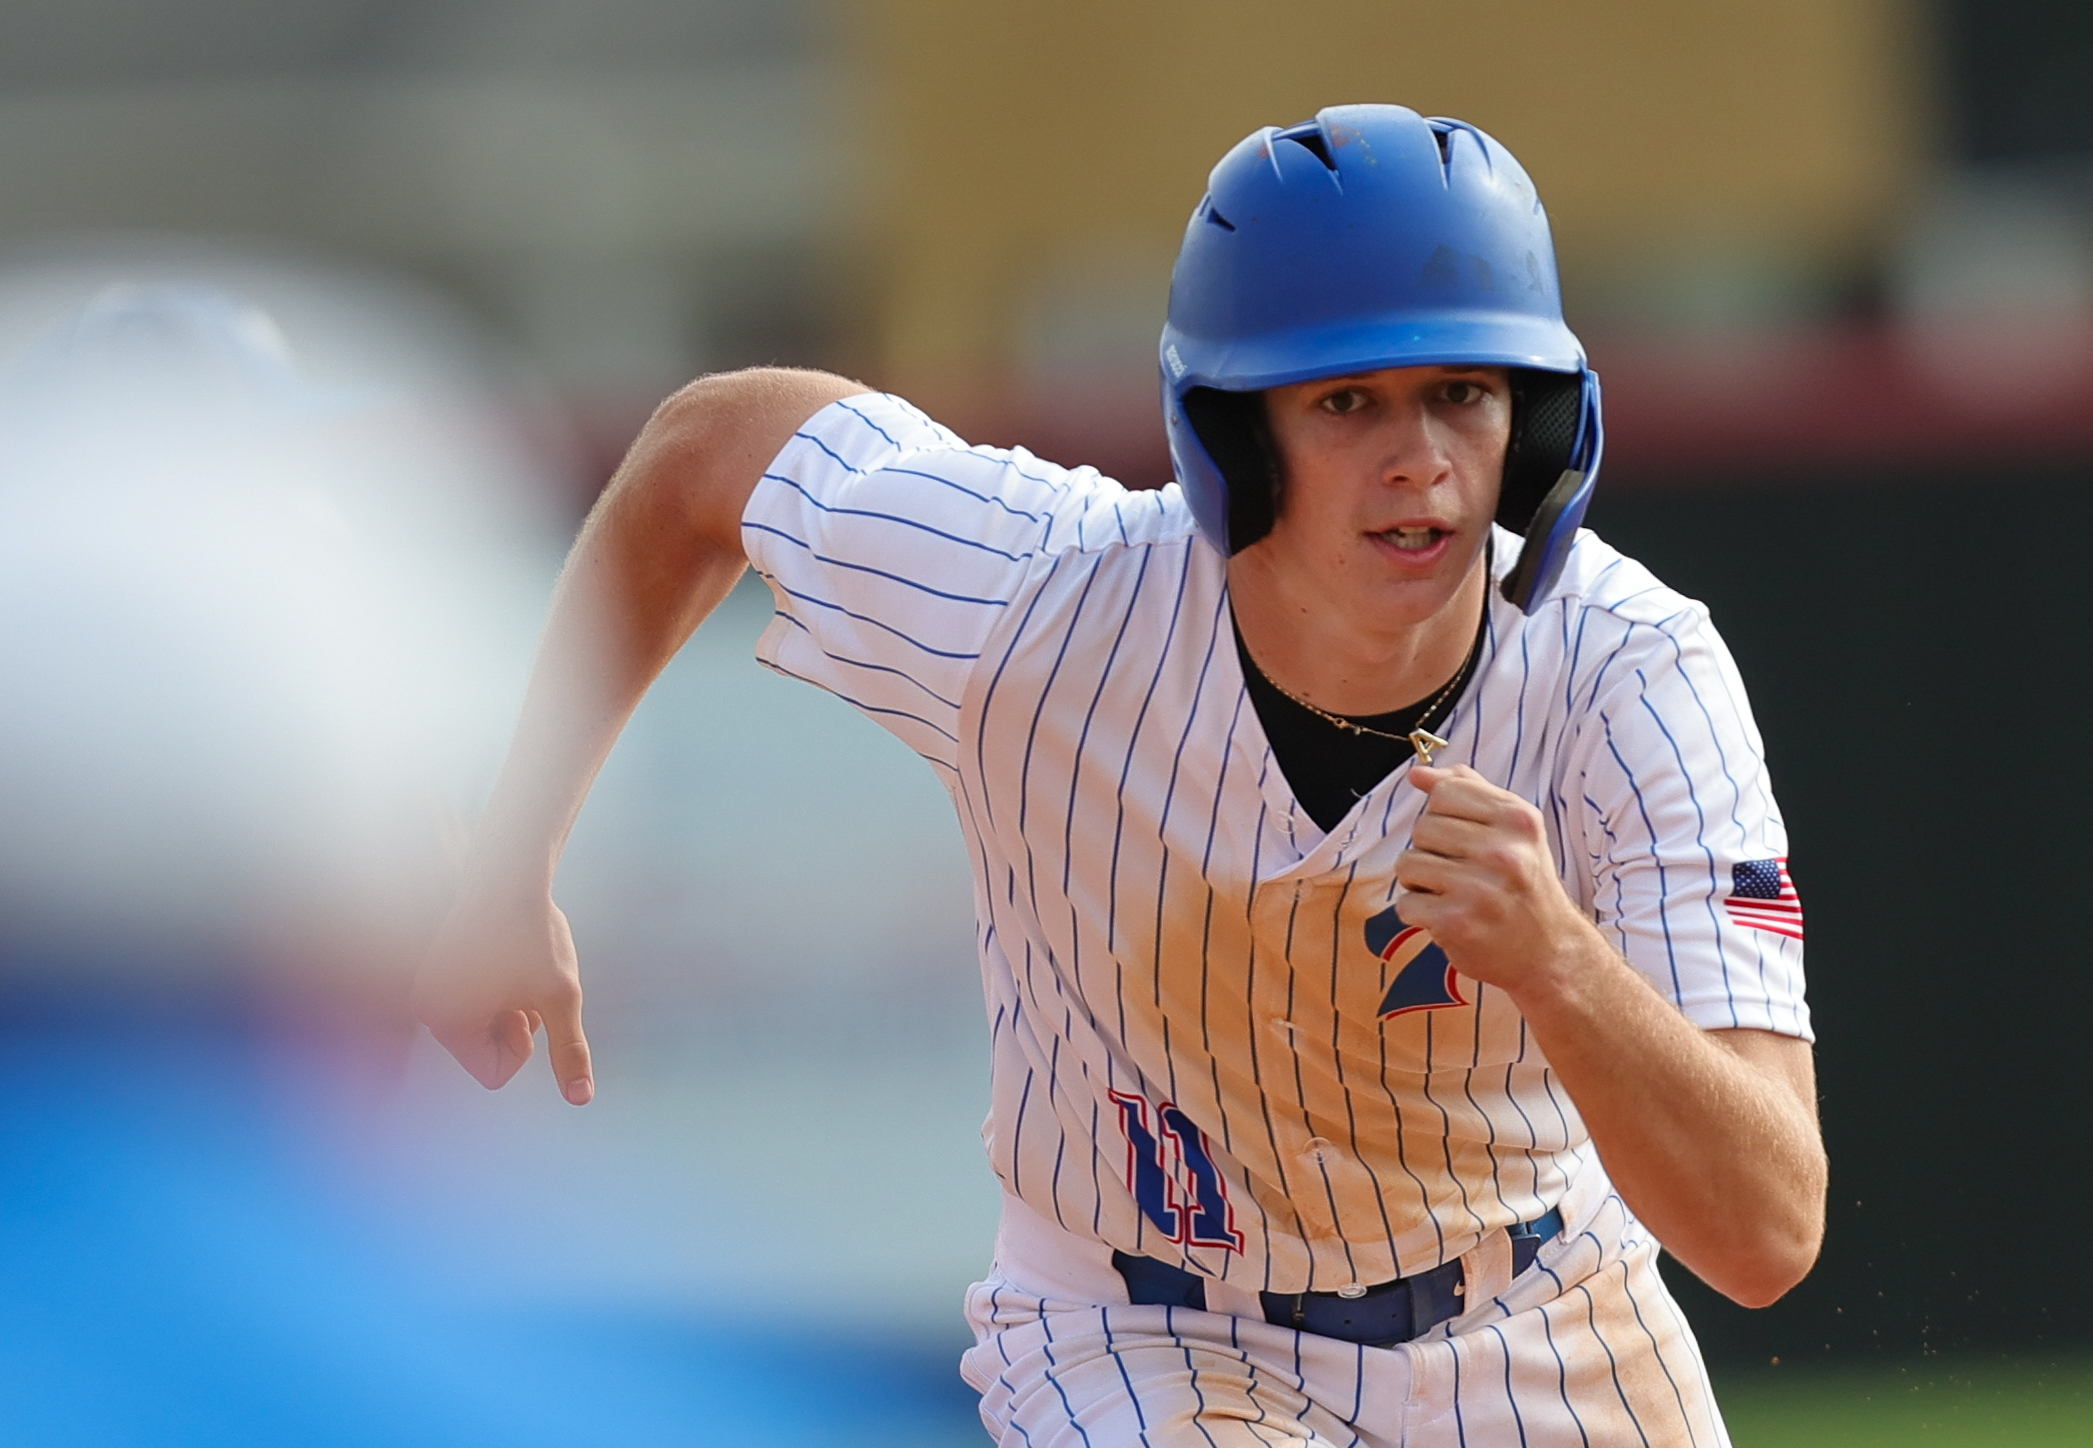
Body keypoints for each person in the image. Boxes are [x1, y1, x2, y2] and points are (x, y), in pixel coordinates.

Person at [416, 104, 1825, 1446]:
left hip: (1537, 1310)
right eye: (1345, 400)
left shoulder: (1632, 676)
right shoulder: (1036, 595)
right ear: (1233, 438)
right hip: (1145, 1334)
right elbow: (704, 451)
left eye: (1461, 392)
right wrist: (509, 857)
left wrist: (1563, 968)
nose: (1419, 461)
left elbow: (1766, 1229)